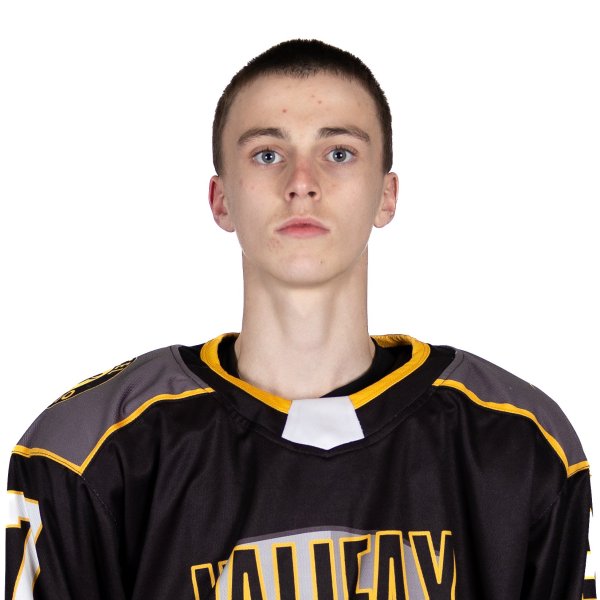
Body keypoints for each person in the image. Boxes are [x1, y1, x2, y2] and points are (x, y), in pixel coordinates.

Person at [5, 39, 596, 600]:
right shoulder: (91, 448)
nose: (302, 184)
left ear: (387, 195)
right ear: (221, 199)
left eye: (339, 153)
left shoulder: (519, 441)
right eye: (268, 154)